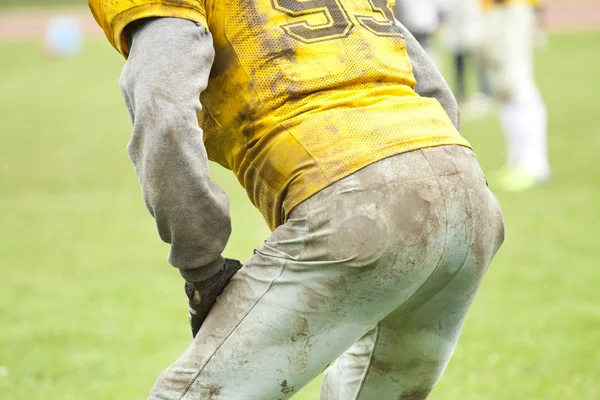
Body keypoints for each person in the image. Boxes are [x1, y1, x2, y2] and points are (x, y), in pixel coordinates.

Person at [89, 0, 505, 398]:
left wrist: (203, 268)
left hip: (356, 195)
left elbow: (164, 115)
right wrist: (441, 188)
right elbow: (432, 88)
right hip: (468, 194)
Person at [479, 0, 550, 191]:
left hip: (512, 8)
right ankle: (517, 163)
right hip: (498, 9)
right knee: (507, 96)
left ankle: (534, 167)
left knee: (519, 90)